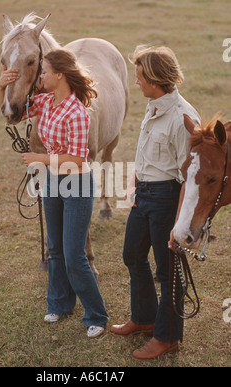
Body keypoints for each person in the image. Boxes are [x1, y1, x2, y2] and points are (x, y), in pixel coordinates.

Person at [0, 48, 108, 338]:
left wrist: (41, 159)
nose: (40, 77)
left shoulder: (78, 112)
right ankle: (59, 304)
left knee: (74, 255)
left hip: (76, 184)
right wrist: (1, 87)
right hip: (52, 183)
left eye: (44, 72)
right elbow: (13, 116)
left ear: (59, 75)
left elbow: (78, 159)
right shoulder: (46, 102)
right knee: (55, 250)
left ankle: (96, 314)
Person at [110, 45, 200, 359]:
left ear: (155, 80)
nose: (136, 83)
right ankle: (145, 318)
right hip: (143, 194)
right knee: (132, 255)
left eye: (139, 78)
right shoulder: (154, 105)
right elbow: (144, 151)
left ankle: (167, 337)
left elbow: (189, 178)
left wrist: (180, 225)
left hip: (165, 198)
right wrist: (133, 185)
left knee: (168, 271)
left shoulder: (183, 117)